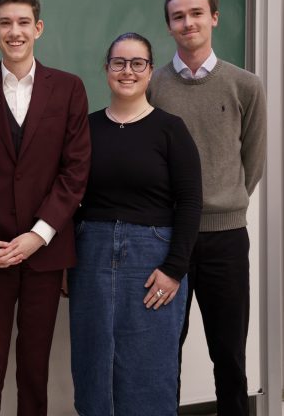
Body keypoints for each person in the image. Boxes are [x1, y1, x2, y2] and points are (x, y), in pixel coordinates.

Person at [0, 0, 91, 416]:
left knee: (34, 367)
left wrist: (39, 234)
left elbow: (75, 172)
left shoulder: (68, 89)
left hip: (46, 254)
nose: (15, 31)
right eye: (5, 23)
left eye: (23, 22)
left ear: (38, 28)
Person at [147, 0, 266, 415]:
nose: (188, 23)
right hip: (167, 238)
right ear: (169, 26)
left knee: (229, 352)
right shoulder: (152, 85)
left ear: (214, 18)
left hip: (226, 240)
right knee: (163, 351)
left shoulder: (245, 85)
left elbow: (251, 160)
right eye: (178, 16)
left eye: (196, 13)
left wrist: (224, 199)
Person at [68, 32, 202, 415]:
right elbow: (70, 195)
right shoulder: (85, 129)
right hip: (89, 254)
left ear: (149, 70)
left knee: (149, 363)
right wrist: (65, 260)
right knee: (93, 359)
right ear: (106, 69)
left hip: (153, 258)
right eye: (118, 63)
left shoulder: (170, 129)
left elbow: (191, 201)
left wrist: (174, 269)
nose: (127, 71)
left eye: (137, 63)